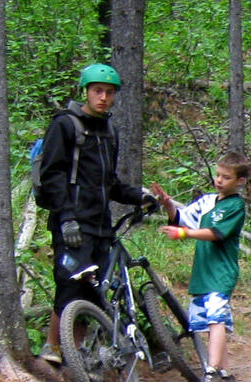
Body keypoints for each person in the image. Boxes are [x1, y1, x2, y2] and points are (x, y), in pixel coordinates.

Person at [34, 63, 154, 364]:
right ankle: (53, 347)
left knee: (93, 291)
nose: (103, 97)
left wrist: (138, 197)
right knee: (70, 283)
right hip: (72, 223)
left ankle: (78, 357)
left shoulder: (109, 131)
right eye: (97, 90)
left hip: (101, 225)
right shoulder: (65, 125)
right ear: (85, 91)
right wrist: (66, 218)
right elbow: (52, 176)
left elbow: (109, 182)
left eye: (109, 92)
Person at [149, 152, 251, 382]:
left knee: (217, 320)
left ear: (240, 181)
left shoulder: (235, 206)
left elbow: (216, 233)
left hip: (221, 272)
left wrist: (184, 234)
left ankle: (212, 372)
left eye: (226, 177)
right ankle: (226, 377)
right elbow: (183, 219)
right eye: (218, 175)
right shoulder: (207, 201)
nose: (219, 180)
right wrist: (167, 203)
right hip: (202, 273)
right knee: (207, 323)